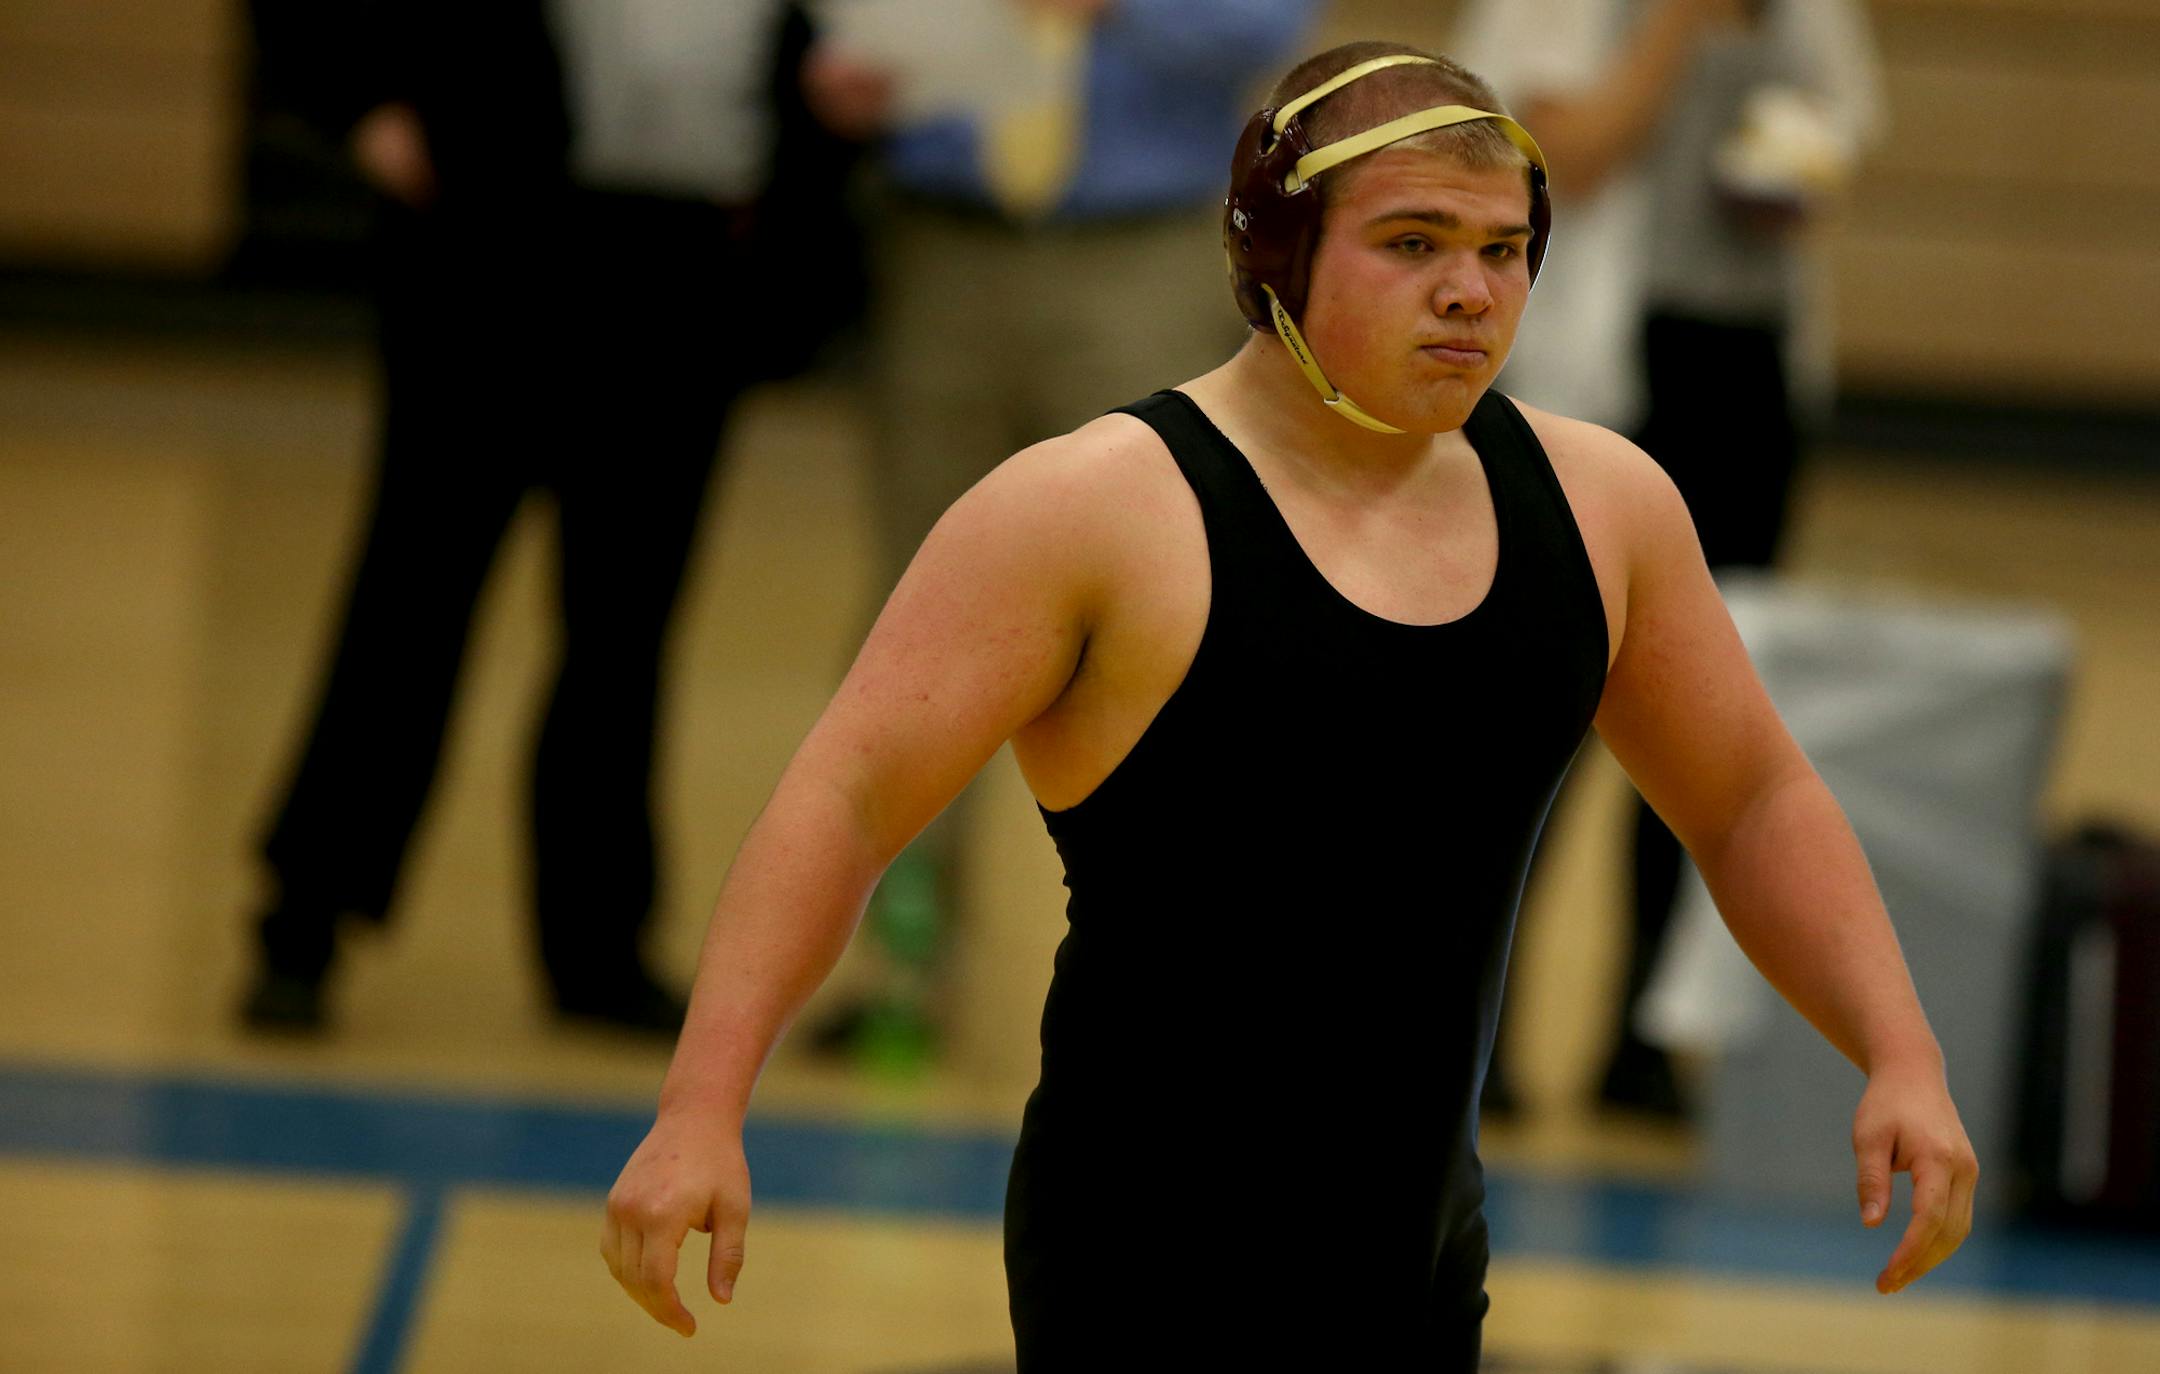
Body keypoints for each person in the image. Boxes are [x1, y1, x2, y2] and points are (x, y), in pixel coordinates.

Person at [600, 42, 1977, 1369]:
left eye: (1503, 251)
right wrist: (699, 1107)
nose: (1470, 292)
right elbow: (843, 799)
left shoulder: (1603, 507)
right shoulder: (1092, 509)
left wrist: (1899, 1050)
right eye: (1414, 243)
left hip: (1421, 1263)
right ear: (1275, 259)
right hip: (1138, 1275)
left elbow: (1748, 799)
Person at [237, 0, 863, 1034]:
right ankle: (304, 921)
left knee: (624, 629)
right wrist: (356, 108)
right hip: (491, 229)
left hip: (688, 261)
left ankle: (598, 948)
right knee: (413, 593)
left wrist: (832, 125)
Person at [794, 0, 1315, 1064]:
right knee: (920, 617)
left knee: (1166, 613)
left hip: (1145, 250)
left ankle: (1174, 975)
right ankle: (902, 971)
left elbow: (1263, 24)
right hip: (944, 237)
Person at [1452, 0, 1885, 1116]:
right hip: (1599, 375)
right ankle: (1472, 1031)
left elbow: (1832, 136)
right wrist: (1674, 31)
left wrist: (1795, 177)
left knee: (1708, 712)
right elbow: (1557, 165)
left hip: (1746, 376)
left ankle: (1646, 1036)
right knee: (1539, 713)